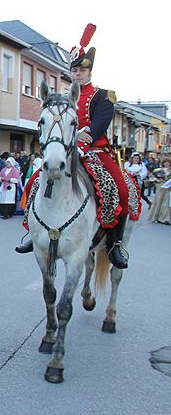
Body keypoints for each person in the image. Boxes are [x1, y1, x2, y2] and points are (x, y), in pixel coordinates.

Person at [16, 24, 134, 269]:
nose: (78, 73)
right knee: (33, 182)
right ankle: (32, 233)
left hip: (97, 152)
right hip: (67, 152)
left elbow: (102, 121)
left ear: (89, 71)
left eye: (82, 69)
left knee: (121, 190)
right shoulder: (63, 98)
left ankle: (114, 244)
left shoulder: (103, 96)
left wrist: (86, 134)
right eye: (75, 69)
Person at [148, 158, 171, 224]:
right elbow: (151, 177)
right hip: (159, 188)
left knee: (165, 204)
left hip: (167, 189)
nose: (167, 164)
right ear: (163, 163)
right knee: (158, 202)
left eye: (168, 162)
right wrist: (156, 180)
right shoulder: (158, 170)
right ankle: (156, 217)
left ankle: (164, 218)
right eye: (165, 162)